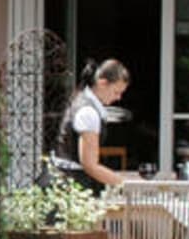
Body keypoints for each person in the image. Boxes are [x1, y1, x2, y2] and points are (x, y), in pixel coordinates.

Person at [48, 58, 130, 194]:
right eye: (116, 92)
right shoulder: (88, 112)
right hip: (70, 185)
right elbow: (90, 165)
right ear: (102, 83)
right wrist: (126, 184)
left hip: (63, 180)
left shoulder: (81, 98)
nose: (118, 98)